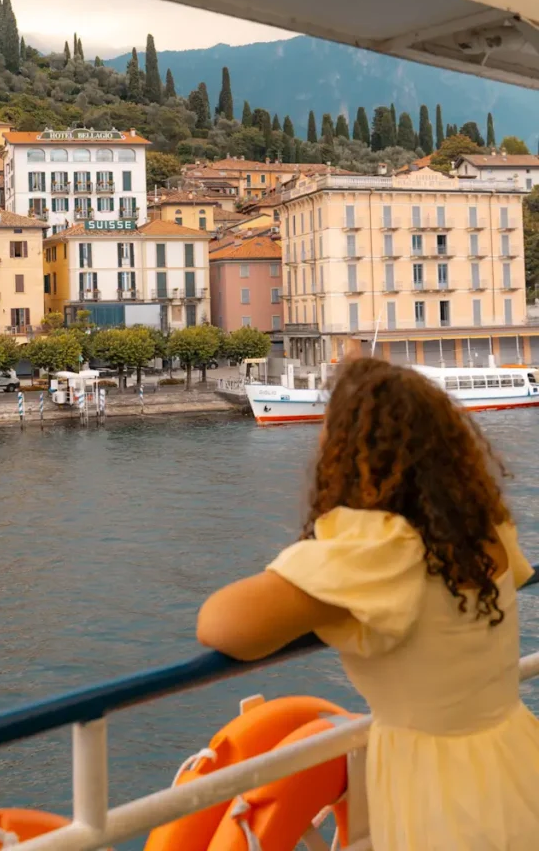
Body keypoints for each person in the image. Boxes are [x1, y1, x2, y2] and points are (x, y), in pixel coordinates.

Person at [197, 357, 539, 851]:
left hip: (442, 793)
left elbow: (221, 624)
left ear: (347, 454)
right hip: (515, 755)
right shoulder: (485, 531)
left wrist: (321, 572)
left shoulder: (383, 554)